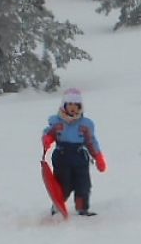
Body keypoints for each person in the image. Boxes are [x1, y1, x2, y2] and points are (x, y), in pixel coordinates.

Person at [42, 89, 104, 217]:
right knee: (63, 184)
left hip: (80, 157)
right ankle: (57, 205)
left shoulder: (85, 124)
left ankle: (82, 208)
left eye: (76, 105)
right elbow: (49, 133)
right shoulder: (57, 122)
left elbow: (91, 142)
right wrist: (47, 139)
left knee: (83, 184)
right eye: (69, 105)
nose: (72, 108)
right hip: (62, 156)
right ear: (64, 106)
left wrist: (98, 157)